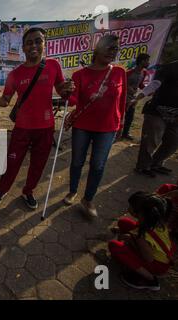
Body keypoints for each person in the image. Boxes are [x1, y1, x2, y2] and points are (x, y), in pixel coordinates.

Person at [0, 27, 75, 210]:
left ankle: (28, 191)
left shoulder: (53, 66)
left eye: (38, 41)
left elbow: (61, 90)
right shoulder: (15, 74)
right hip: (22, 127)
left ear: (45, 44)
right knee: (12, 162)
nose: (34, 46)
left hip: (45, 127)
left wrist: (67, 88)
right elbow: (6, 101)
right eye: (29, 43)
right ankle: (2, 189)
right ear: (23, 47)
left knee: (38, 164)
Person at [63, 35, 127, 217]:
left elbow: (122, 100)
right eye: (109, 47)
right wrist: (68, 92)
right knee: (77, 161)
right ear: (97, 48)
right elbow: (74, 100)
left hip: (108, 127)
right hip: (83, 125)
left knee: (98, 165)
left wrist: (121, 122)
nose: (112, 51)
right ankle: (73, 191)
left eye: (115, 48)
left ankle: (88, 199)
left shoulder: (119, 72)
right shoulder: (80, 75)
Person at [109, 192, 176, 291]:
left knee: (114, 246)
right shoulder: (156, 222)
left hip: (157, 265)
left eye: (130, 207)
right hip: (154, 250)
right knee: (123, 222)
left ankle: (150, 280)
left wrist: (130, 240)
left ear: (140, 213)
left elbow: (148, 258)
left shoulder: (142, 235)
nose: (128, 208)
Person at [135, 60, 178, 177]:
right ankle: (143, 166)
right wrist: (139, 97)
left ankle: (156, 163)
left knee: (173, 142)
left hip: (176, 116)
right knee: (151, 141)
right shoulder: (168, 67)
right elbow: (155, 84)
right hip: (157, 111)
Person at [121, 53, 150, 140]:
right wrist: (128, 88)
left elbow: (140, 85)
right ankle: (115, 132)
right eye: (147, 61)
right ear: (142, 61)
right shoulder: (129, 73)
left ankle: (125, 133)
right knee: (121, 116)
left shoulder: (144, 73)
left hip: (133, 98)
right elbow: (122, 84)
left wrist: (147, 90)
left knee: (130, 117)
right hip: (124, 97)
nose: (148, 63)